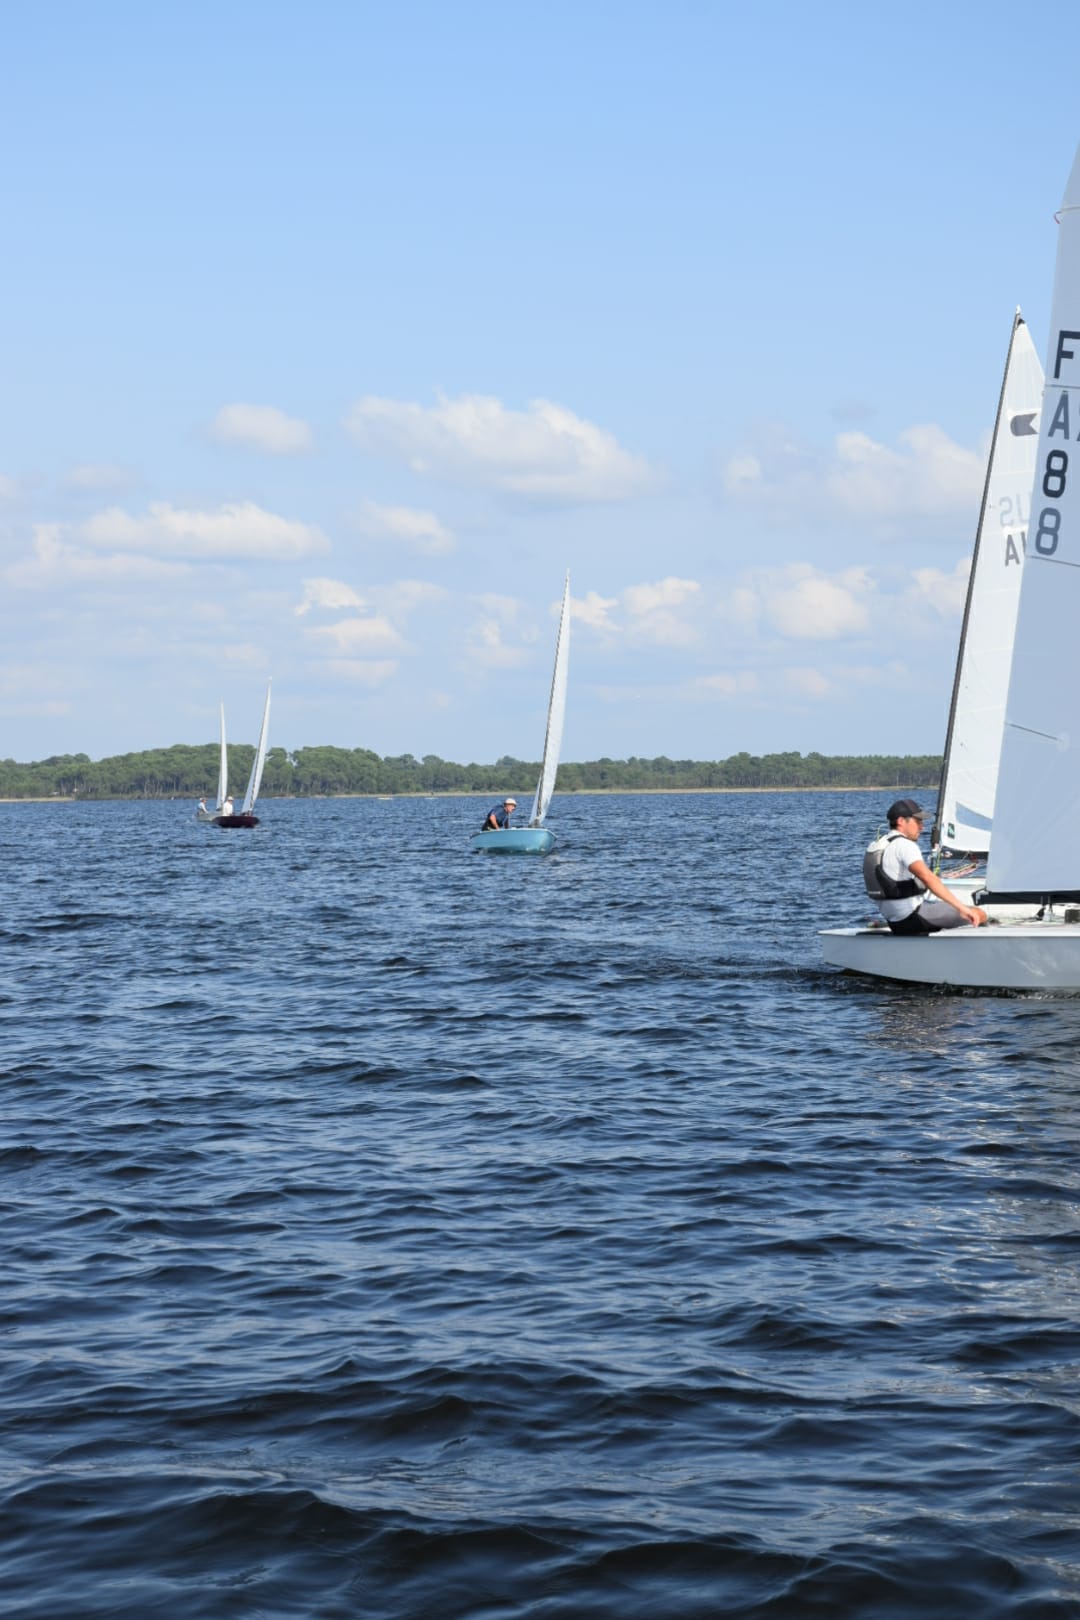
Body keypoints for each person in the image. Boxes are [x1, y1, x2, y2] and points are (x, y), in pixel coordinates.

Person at [869, 798, 988, 935]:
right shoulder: (905, 845)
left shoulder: (878, 844)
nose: (922, 827)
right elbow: (928, 878)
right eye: (918, 821)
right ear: (901, 821)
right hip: (913, 917)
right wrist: (962, 909)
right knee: (979, 913)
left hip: (894, 921)